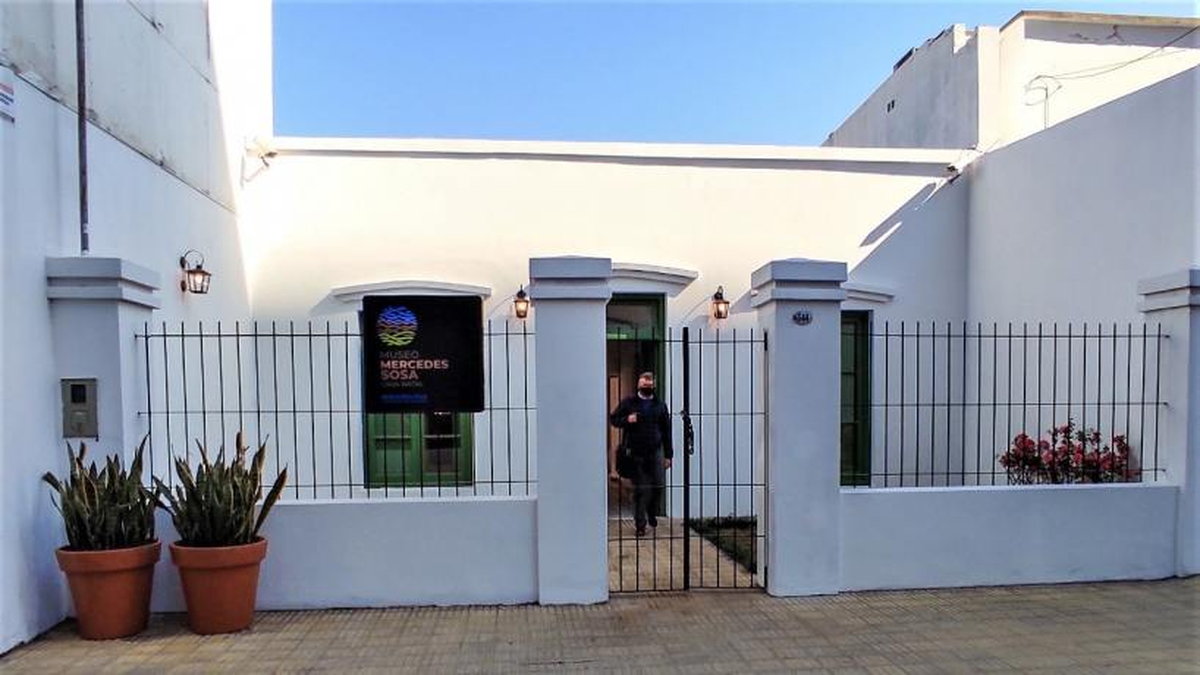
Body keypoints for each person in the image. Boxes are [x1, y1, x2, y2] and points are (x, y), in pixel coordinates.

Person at [609, 372, 673, 537]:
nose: (646, 387)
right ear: (638, 385)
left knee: (658, 485)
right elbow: (614, 419)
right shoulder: (629, 403)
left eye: (649, 385)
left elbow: (667, 431)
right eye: (644, 385)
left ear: (654, 386)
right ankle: (640, 525)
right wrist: (627, 420)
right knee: (640, 489)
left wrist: (668, 455)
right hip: (635, 452)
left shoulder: (660, 405)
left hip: (656, 451)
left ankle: (651, 511)